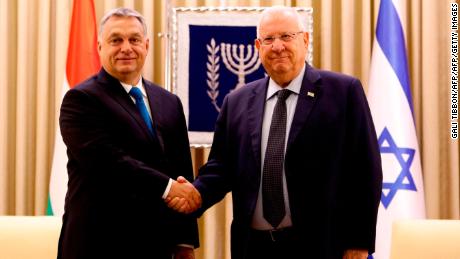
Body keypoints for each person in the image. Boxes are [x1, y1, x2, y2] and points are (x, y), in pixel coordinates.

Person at [168, 6, 382, 259]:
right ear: (258, 47)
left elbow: (365, 170)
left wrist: (358, 242)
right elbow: (221, 167)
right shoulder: (236, 100)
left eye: (286, 36)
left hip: (321, 245)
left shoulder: (343, 92)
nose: (277, 46)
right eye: (268, 39)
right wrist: (196, 193)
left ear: (305, 39)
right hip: (254, 247)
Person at [57, 7, 201, 259]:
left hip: (155, 245)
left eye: (134, 39)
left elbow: (181, 171)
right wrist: (168, 188)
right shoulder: (81, 99)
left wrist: (185, 241)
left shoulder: (169, 102)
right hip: (96, 244)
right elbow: (107, 162)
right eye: (116, 40)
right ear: (100, 46)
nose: (126, 47)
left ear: (146, 45)